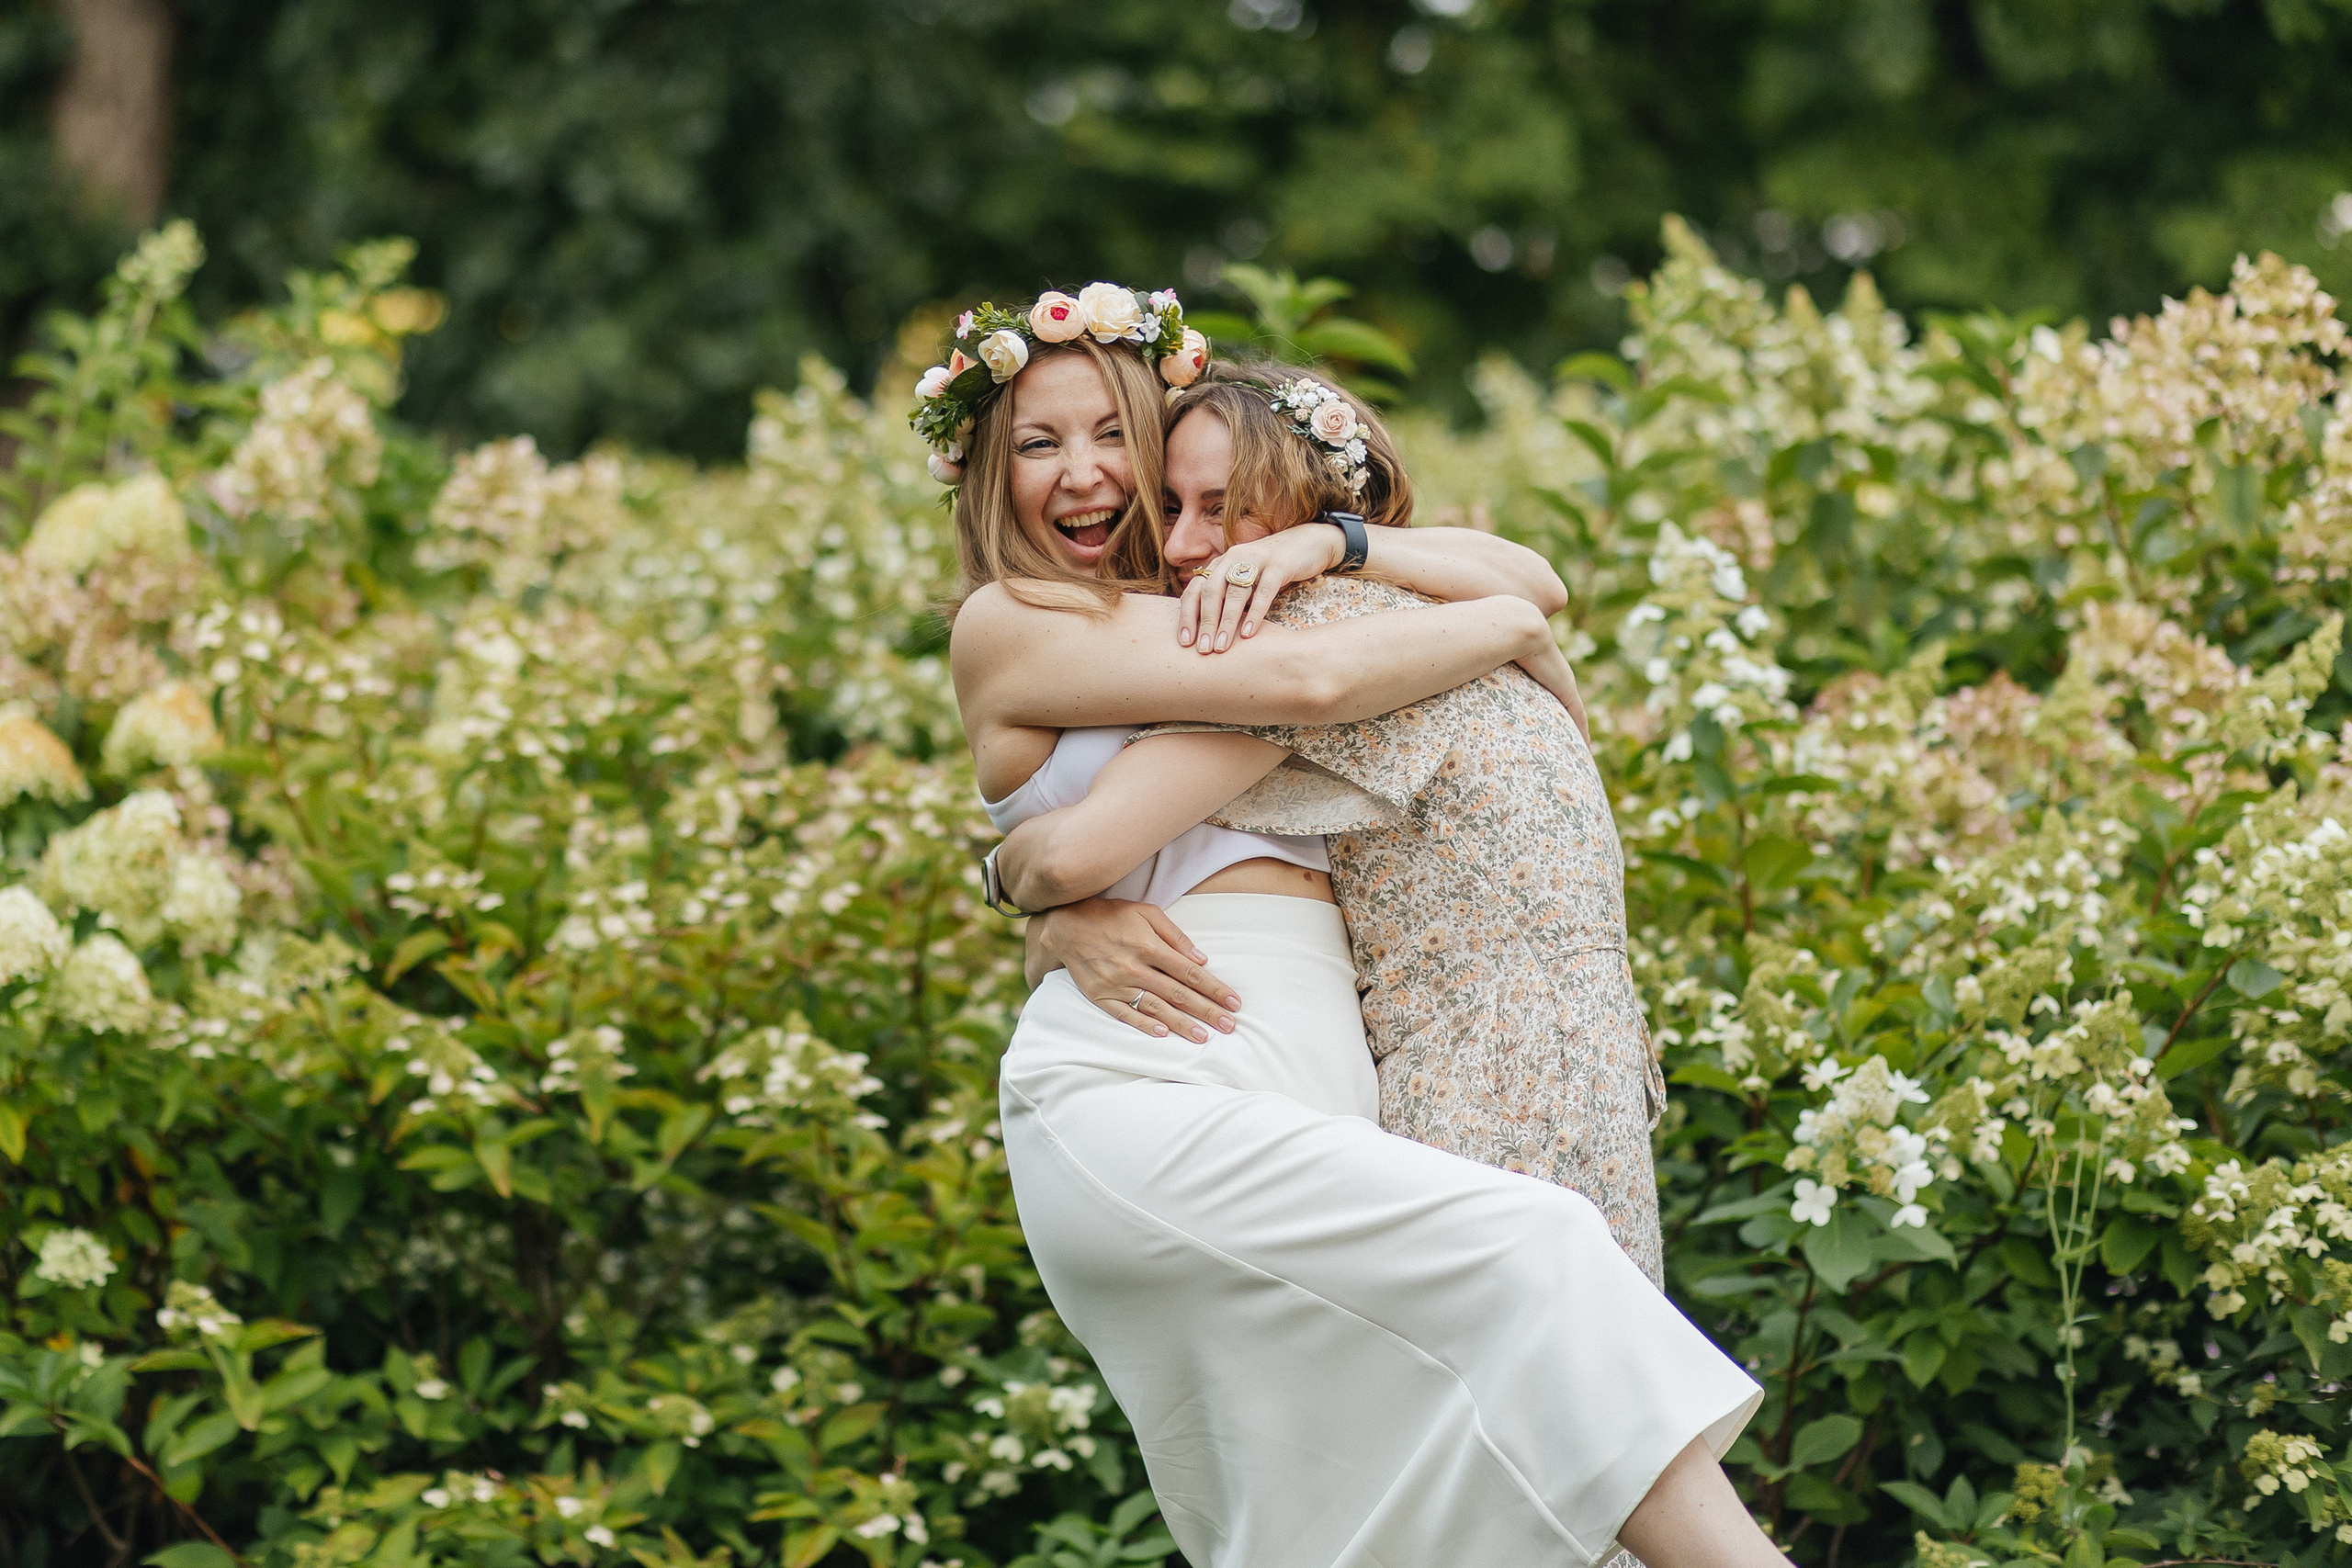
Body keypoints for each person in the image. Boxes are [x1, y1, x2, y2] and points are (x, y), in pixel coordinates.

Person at [930, 290, 1774, 1568]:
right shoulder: (1017, 619)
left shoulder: (1206, 596)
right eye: (1039, 443)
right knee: (1538, 1247)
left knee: (1376, 1498)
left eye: (1114, 432)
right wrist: (1496, 630)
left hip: (1310, 1059)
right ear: (990, 469)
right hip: (1151, 1074)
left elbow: (1511, 573)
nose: (1087, 470)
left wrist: (1338, 548)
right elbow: (1320, 678)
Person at [1003, 363, 1668, 1284]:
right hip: (1575, 1058)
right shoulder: (1414, 610)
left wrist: (1025, 896)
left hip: (1489, 1081)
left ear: (1304, 510)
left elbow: (1075, 847)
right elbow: (1532, 583)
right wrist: (1500, 613)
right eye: (1169, 507)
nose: (1184, 544)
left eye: (1224, 508)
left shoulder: (1315, 638)